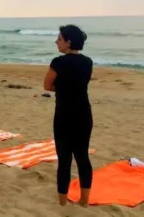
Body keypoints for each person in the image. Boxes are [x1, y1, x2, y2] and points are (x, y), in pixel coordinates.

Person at [43, 25, 93, 208]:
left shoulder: (58, 62)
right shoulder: (88, 62)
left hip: (64, 115)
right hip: (83, 114)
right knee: (82, 158)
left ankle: (62, 203)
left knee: (64, 160)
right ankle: (84, 202)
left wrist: (63, 88)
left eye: (59, 39)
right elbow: (81, 84)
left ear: (68, 42)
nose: (57, 42)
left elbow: (47, 85)